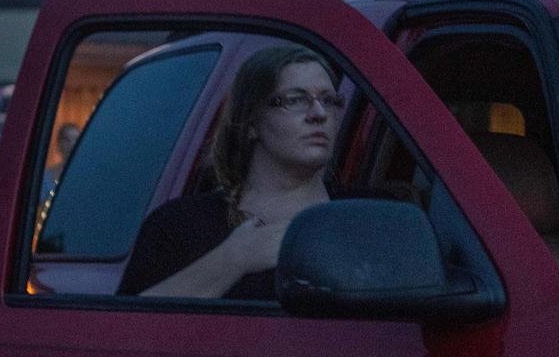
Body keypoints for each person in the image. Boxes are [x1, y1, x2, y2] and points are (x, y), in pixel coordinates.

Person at [118, 45, 344, 299]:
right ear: (250, 121)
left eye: (329, 100)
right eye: (295, 100)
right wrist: (233, 259)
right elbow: (130, 330)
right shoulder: (180, 226)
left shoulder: (371, 216)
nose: (319, 114)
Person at [39, 123, 81, 201]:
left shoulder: (86, 176)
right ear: (59, 144)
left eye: (76, 139)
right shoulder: (45, 178)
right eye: (67, 140)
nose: (72, 144)